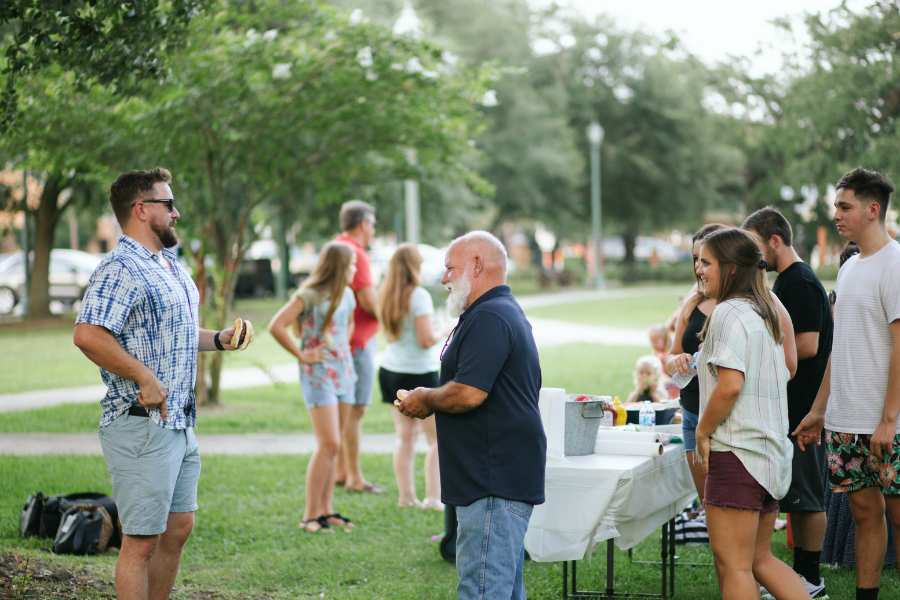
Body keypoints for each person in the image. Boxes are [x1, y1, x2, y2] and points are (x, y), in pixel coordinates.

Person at [73, 167, 254, 600]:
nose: (177, 212)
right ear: (141, 209)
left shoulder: (166, 264)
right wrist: (144, 377)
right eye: (168, 204)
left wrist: (220, 340)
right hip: (140, 424)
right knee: (141, 542)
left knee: (178, 528)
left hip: (178, 423)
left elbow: (176, 335)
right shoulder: (120, 267)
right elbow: (88, 334)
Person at [395, 231, 545, 600]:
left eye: (450, 268)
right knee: (502, 589)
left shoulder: (490, 315)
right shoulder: (490, 311)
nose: (444, 278)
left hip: (493, 478)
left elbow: (469, 392)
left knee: (482, 590)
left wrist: (425, 398)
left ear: (477, 266)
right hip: (493, 474)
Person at [793, 167, 900, 600]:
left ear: (873, 210)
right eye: (835, 206)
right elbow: (842, 347)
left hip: (886, 421)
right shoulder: (851, 267)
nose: (836, 215)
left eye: (844, 206)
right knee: (863, 514)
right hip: (845, 418)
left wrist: (889, 419)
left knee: (898, 514)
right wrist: (820, 409)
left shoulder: (895, 264)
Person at [694, 227, 810, 600]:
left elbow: (730, 385)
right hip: (768, 456)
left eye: (706, 262)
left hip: (737, 453)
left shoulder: (728, 312)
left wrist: (702, 431)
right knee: (760, 560)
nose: (699, 269)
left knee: (736, 567)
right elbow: (787, 371)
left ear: (730, 268)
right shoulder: (765, 311)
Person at [743, 207, 833, 599]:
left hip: (804, 409)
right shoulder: (786, 280)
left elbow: (808, 345)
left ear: (774, 241)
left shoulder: (798, 282)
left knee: (807, 497)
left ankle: (809, 579)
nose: (753, 255)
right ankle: (798, 577)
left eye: (756, 246)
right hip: (792, 407)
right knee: (796, 494)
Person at [268, 242, 359, 533]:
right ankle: (309, 515)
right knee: (329, 443)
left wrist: (339, 346)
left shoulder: (347, 294)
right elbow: (276, 325)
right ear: (339, 265)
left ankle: (326, 511)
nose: (356, 268)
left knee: (336, 445)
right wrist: (303, 354)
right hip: (317, 375)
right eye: (352, 263)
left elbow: (348, 324)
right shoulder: (309, 295)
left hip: (344, 374)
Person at [376, 243, 447, 510]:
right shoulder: (418, 296)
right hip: (419, 374)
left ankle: (406, 498)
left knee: (404, 437)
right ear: (415, 266)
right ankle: (432, 498)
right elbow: (426, 338)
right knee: (437, 439)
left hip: (391, 371)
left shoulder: (386, 293)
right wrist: (445, 328)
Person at [666, 223, 726, 503]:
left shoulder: (739, 305)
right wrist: (676, 360)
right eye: (694, 259)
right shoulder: (692, 304)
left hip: (722, 416)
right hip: (690, 412)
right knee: (708, 504)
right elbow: (670, 356)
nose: (698, 268)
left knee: (727, 503)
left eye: (704, 260)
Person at [333, 200, 383, 493]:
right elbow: (369, 302)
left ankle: (342, 471)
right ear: (363, 224)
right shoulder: (358, 254)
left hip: (341, 341)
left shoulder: (336, 246)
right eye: (373, 224)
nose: (374, 229)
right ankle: (354, 477)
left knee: (347, 409)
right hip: (358, 342)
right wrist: (393, 312)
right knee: (355, 410)